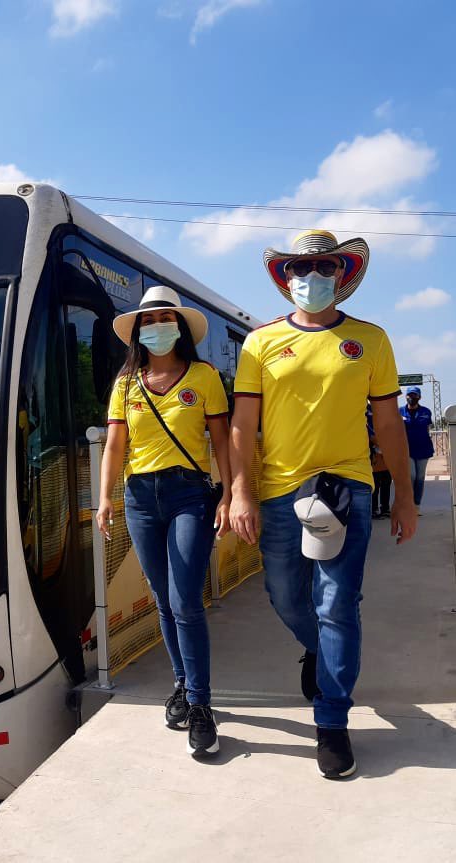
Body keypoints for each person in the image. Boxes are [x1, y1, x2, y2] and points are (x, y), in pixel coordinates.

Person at [229, 229, 417, 780]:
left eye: (325, 267)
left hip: (348, 487)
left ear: (342, 274)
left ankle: (331, 722)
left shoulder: (370, 340)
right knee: (285, 595)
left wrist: (403, 498)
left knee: (338, 603)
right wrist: (240, 490)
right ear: (285, 277)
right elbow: (243, 424)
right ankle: (319, 650)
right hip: (282, 488)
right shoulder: (259, 343)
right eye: (299, 269)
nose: (311, 278)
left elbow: (388, 423)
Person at [95, 285, 232, 758]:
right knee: (162, 599)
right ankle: (181, 681)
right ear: (138, 331)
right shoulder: (126, 384)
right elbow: (115, 445)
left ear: (179, 327)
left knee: (185, 600)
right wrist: (104, 498)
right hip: (139, 498)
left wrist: (230, 494)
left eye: (164, 319)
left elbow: (221, 441)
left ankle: (200, 704)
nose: (156, 328)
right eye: (148, 321)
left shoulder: (204, 376)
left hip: (189, 494)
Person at [400, 386, 434, 514]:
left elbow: (427, 429)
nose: (411, 398)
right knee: (411, 476)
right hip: (407, 450)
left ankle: (416, 505)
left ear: (419, 397)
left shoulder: (426, 411)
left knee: (420, 478)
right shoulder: (400, 411)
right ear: (406, 396)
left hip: (423, 449)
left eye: (414, 396)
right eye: (409, 395)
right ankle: (409, 504)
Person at [367, 405, 392, 519]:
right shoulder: (363, 408)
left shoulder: (382, 408)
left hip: (386, 451)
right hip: (372, 452)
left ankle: (385, 508)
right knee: (375, 484)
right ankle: (373, 509)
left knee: (386, 482)